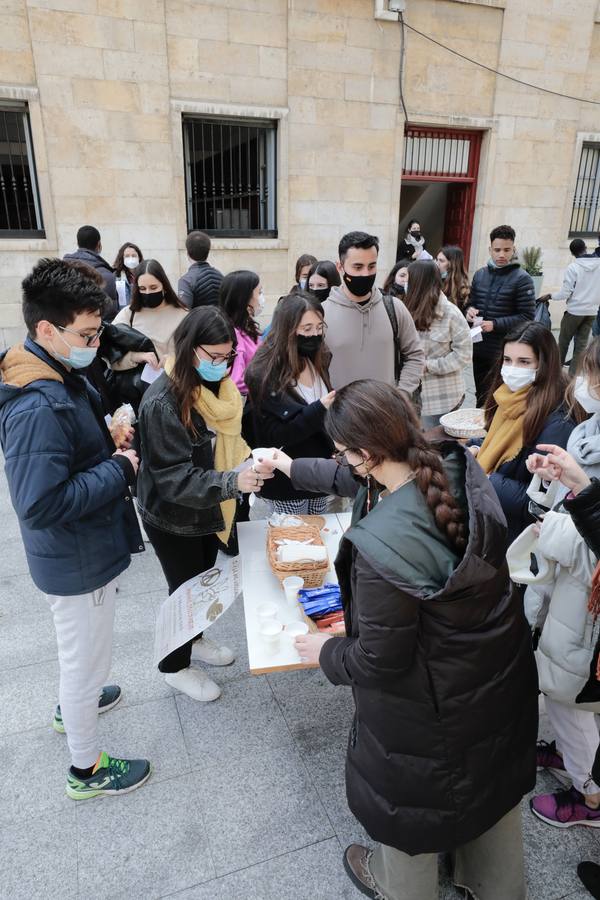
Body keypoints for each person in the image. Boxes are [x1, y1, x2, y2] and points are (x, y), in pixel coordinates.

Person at [260, 379, 537, 900]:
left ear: (367, 453)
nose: (341, 463)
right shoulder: (454, 467)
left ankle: (399, 887)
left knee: (413, 808)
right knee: (489, 787)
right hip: (495, 678)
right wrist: (288, 463)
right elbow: (349, 477)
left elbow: (380, 660)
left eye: (344, 453)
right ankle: (492, 885)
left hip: (426, 708)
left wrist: (327, 652)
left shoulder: (382, 547)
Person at [0, 258, 150, 800]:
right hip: (76, 558)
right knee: (83, 658)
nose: (93, 344)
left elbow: (63, 460)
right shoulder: (36, 403)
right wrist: (118, 469)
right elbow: (38, 504)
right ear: (47, 329)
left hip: (78, 549)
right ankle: (86, 769)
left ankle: (74, 704)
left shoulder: (52, 369)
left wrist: (104, 439)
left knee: (82, 656)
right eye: (86, 335)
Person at [136, 307, 272, 702]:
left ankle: (194, 639)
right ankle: (174, 667)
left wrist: (247, 460)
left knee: (202, 583)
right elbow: (173, 478)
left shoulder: (214, 385)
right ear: (189, 348)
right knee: (184, 590)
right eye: (213, 356)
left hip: (209, 509)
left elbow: (223, 444)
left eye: (227, 356)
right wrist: (233, 480)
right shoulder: (163, 402)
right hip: (173, 515)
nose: (223, 365)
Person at [522, 338, 600, 829]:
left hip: (587, 592)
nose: (588, 386)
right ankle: (576, 760)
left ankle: (588, 793)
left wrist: (576, 494)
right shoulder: (585, 431)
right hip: (562, 585)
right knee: (562, 683)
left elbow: (586, 535)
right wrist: (551, 481)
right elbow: (562, 502)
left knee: (571, 687)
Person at [468, 322, 574, 544]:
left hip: (514, 534)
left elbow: (537, 502)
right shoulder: (508, 396)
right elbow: (497, 441)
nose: (512, 368)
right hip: (491, 514)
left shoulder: (557, 422)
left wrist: (487, 479)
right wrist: (477, 446)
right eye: (507, 360)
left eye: (524, 362)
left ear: (544, 364)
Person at [245, 293, 335, 515]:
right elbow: (275, 435)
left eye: (319, 327)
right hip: (286, 480)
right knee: (292, 541)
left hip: (319, 473)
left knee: (319, 536)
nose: (314, 334)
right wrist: (320, 409)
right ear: (288, 329)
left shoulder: (319, 357)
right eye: (306, 329)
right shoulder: (264, 373)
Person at [323, 231, 424, 394]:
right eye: (358, 267)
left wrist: (402, 395)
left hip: (387, 412)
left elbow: (415, 355)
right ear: (340, 267)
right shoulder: (322, 314)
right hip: (339, 416)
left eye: (372, 266)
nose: (366, 274)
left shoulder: (394, 308)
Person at [466, 225, 535, 407]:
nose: (501, 255)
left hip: (504, 351)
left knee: (498, 397)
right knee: (480, 394)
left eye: (506, 249)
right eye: (497, 250)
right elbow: (470, 302)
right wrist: (469, 311)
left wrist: (495, 324)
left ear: (514, 249)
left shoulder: (523, 279)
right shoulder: (480, 275)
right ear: (490, 250)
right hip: (479, 347)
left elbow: (527, 317)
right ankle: (479, 431)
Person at [108, 259, 188, 410]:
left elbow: (193, 356)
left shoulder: (183, 314)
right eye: (142, 288)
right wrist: (135, 357)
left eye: (153, 287)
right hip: (135, 397)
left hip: (174, 394)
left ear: (164, 285)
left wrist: (171, 361)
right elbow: (109, 353)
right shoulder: (128, 314)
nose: (148, 293)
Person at [403, 260, 472, 430]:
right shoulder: (406, 308)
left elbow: (463, 355)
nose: (405, 283)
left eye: (408, 278)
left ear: (419, 282)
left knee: (434, 445)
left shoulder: (451, 314)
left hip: (441, 397)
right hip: (411, 393)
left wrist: (428, 366)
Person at [538, 238, 600, 375]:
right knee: (581, 346)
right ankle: (573, 378)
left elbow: (565, 292)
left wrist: (550, 295)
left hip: (574, 311)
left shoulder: (574, 267)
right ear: (585, 248)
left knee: (563, 342)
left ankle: (555, 374)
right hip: (592, 312)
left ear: (572, 253)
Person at [219, 269, 263, 398]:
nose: (262, 298)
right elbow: (237, 382)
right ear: (244, 298)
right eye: (259, 293)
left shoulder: (247, 327)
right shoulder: (235, 334)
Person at [64, 225, 118, 319]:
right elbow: (109, 315)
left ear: (77, 243)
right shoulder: (106, 276)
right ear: (99, 245)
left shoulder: (60, 271)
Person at [178, 230, 223, 308]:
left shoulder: (186, 281)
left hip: (199, 320)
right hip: (221, 319)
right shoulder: (220, 275)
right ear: (208, 252)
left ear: (187, 253)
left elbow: (184, 311)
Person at [435, 245, 470, 311]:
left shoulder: (463, 288)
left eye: (441, 261)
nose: (437, 263)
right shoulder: (434, 280)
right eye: (437, 260)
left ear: (452, 264)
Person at [112, 242, 144, 310]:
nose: (131, 258)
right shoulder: (116, 276)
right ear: (122, 258)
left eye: (134, 255)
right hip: (124, 315)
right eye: (127, 256)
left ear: (139, 257)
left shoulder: (144, 274)